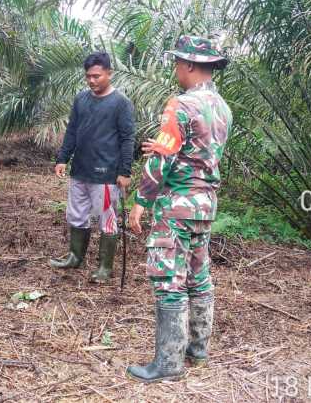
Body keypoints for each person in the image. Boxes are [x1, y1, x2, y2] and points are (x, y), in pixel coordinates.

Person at [126, 36, 232, 382]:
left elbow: (163, 158)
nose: (175, 70)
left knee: (168, 278)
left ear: (188, 65)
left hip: (177, 205)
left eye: (176, 63)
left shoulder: (181, 105)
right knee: (198, 276)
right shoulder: (222, 107)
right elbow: (199, 153)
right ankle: (197, 350)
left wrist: (142, 201)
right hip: (205, 205)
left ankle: (168, 364)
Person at [50, 51, 135, 283]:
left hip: (106, 174)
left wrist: (124, 171)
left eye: (97, 76)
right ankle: (74, 257)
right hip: (80, 170)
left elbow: (128, 138)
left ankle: (104, 268)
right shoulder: (81, 99)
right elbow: (72, 131)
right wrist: (62, 158)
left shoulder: (121, 103)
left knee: (106, 219)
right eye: (88, 76)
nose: (92, 80)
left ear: (109, 73)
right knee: (76, 215)